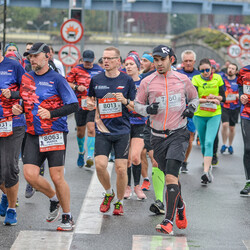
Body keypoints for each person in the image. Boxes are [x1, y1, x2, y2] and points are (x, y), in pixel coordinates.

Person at [12, 42, 79, 231]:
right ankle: (54, 199)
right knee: (30, 176)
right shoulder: (26, 78)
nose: (32, 59)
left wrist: (51, 114)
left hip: (54, 133)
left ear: (47, 56)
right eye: (30, 56)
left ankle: (67, 216)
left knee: (57, 177)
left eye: (35, 55)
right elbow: (27, 103)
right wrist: (19, 109)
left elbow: (73, 106)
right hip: (33, 133)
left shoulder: (57, 79)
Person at [135, 45, 199, 235]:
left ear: (171, 59)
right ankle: (179, 207)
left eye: (162, 59)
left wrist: (191, 109)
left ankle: (168, 221)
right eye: (155, 60)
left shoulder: (182, 79)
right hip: (157, 136)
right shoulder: (147, 82)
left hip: (178, 133)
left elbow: (195, 99)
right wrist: (147, 110)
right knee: (171, 177)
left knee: (171, 176)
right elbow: (137, 104)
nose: (158, 63)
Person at [87, 46, 136, 215]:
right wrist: (89, 104)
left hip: (122, 130)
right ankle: (109, 193)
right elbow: (90, 98)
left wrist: (124, 101)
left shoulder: (127, 80)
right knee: (100, 166)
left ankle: (119, 202)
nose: (105, 61)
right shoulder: (96, 80)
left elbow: (134, 106)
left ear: (118, 61)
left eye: (109, 58)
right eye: (104, 58)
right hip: (103, 129)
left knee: (121, 169)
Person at [0, 41, 26, 225]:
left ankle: (11, 209)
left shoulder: (13, 66)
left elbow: (30, 91)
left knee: (9, 167)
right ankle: (6, 194)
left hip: (12, 123)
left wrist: (19, 103)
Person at [66, 50, 104, 168]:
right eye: (85, 61)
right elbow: (67, 82)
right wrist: (77, 87)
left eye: (90, 61)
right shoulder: (76, 70)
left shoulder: (99, 70)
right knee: (80, 131)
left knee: (91, 129)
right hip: (79, 104)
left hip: (92, 104)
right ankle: (81, 152)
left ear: (93, 59)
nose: (87, 64)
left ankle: (90, 156)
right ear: (82, 59)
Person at [192, 58, 226, 185]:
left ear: (212, 69)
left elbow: (224, 97)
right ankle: (208, 165)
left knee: (209, 141)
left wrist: (216, 98)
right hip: (199, 115)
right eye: (202, 70)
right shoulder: (196, 79)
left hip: (214, 114)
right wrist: (207, 100)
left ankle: (205, 172)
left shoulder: (218, 78)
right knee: (203, 142)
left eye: (207, 70)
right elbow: (194, 98)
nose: (205, 72)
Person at [123, 53, 147, 200]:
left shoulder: (144, 83)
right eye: (126, 64)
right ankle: (127, 187)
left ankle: (137, 186)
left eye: (131, 64)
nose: (128, 67)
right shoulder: (122, 82)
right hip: (124, 124)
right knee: (126, 160)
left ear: (138, 67)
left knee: (136, 157)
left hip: (139, 124)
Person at [178, 50, 200, 173]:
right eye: (185, 61)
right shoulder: (177, 73)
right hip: (177, 110)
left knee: (189, 138)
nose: (188, 63)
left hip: (192, 111)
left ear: (194, 61)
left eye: (190, 61)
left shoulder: (198, 75)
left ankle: (184, 162)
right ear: (182, 62)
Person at [220, 63, 240, 154]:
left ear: (236, 71)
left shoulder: (239, 81)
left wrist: (237, 95)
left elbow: (243, 92)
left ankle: (230, 145)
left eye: (233, 68)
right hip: (224, 106)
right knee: (224, 125)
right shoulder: (222, 80)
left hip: (235, 107)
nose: (230, 70)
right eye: (229, 68)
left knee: (232, 128)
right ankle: (224, 144)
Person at [237, 64, 250, 196]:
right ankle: (249, 181)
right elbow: (241, 88)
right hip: (247, 113)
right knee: (247, 148)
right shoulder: (244, 71)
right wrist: (241, 96)